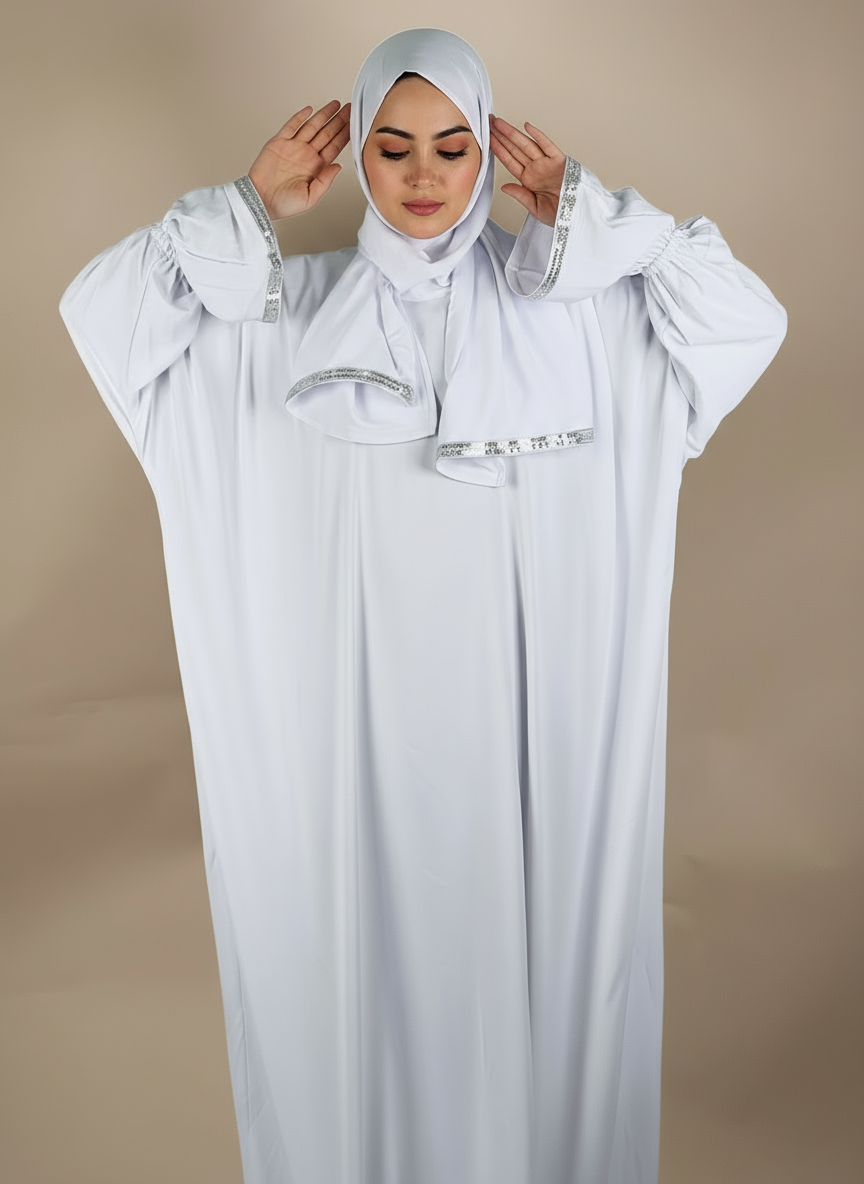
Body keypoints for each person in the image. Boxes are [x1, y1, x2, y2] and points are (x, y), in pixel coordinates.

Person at [59, 26, 786, 1184]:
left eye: (453, 145)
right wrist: (248, 205)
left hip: (531, 767)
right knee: (350, 1011)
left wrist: (596, 217)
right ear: (355, 154)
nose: (423, 175)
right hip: (344, 774)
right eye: (391, 146)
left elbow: (745, 320)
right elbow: (103, 317)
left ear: (490, 151)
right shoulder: (282, 322)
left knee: (538, 996)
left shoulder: (578, 322)